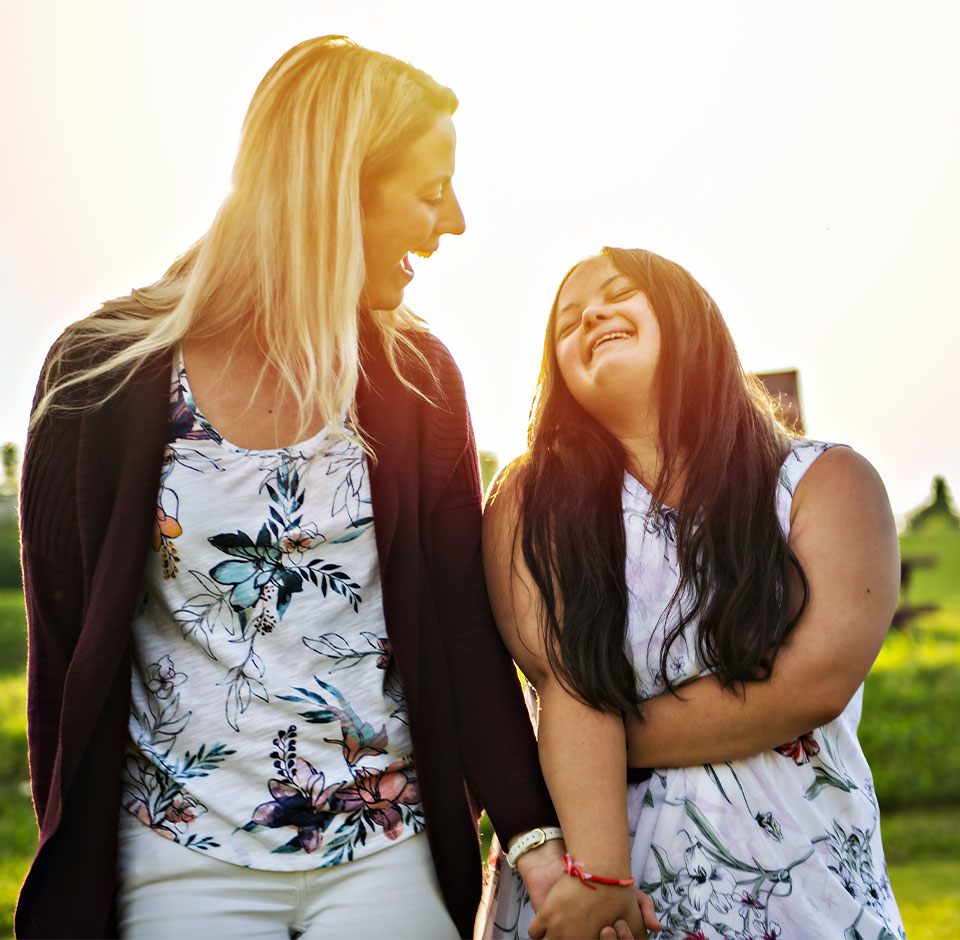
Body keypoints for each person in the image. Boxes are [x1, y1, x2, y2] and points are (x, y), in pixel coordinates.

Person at [16, 35, 572, 940]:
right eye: (431, 194)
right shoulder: (100, 375)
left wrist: (537, 843)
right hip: (175, 863)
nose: (456, 222)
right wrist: (71, 864)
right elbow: (64, 655)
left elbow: (465, 627)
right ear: (336, 190)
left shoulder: (418, 378)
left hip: (387, 854)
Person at [481, 247, 906, 939]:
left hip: (808, 900)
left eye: (618, 293)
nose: (591, 315)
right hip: (601, 908)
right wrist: (600, 880)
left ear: (685, 315)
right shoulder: (529, 502)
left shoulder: (826, 482)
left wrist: (594, 741)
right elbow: (565, 679)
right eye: (568, 320)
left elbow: (814, 684)